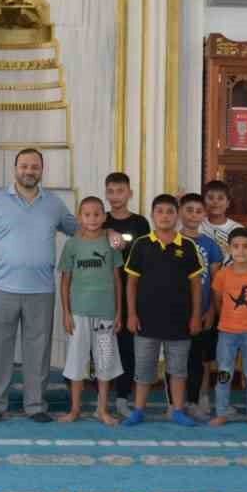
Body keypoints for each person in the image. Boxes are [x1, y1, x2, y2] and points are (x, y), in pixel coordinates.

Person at [0, 148, 78, 423]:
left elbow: (80, 230)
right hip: (0, 289)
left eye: (34, 166)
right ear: (15, 168)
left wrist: (111, 233)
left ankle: (36, 405)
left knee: (38, 350)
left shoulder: (54, 203)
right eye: (24, 166)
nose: (29, 171)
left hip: (41, 291)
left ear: (41, 170)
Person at [122, 194, 204, 428]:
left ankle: (178, 410)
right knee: (144, 369)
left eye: (170, 211)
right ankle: (138, 410)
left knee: (178, 369)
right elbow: (131, 283)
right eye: (160, 211)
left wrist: (196, 315)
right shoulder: (141, 244)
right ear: (152, 214)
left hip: (180, 320)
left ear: (177, 216)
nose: (165, 216)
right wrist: (131, 314)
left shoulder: (188, 246)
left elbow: (196, 285)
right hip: (146, 319)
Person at [56, 196, 123, 426]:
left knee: (104, 361)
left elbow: (117, 279)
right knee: (76, 362)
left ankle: (102, 410)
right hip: (78, 314)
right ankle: (75, 409)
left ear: (104, 217)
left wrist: (119, 312)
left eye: (97, 214)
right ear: (79, 218)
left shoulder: (111, 242)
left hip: (105, 313)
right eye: (87, 214)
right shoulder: (72, 244)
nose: (92, 219)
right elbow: (65, 281)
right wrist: (66, 312)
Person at [210, 228, 247, 429]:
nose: (241, 251)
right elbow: (217, 302)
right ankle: (221, 412)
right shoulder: (222, 275)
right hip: (227, 333)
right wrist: (227, 319)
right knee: (224, 373)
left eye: (246, 246)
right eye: (236, 246)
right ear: (229, 249)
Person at [102, 172, 149, 415]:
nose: (115, 196)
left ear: (129, 193)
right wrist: (105, 231)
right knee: (102, 346)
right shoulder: (99, 221)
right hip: (103, 293)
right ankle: (102, 396)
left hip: (132, 293)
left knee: (127, 346)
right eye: (110, 191)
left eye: (120, 191)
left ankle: (123, 395)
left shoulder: (140, 223)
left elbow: (145, 259)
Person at [179, 193, 224, 417]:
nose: (193, 215)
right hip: (177, 311)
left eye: (198, 211)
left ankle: (202, 398)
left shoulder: (211, 245)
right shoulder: (172, 241)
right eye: (189, 209)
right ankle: (179, 401)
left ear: (204, 215)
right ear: (180, 212)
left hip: (204, 310)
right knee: (179, 357)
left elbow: (216, 281)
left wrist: (212, 310)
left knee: (203, 357)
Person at [200, 180, 242, 253]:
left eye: (220, 198)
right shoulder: (197, 224)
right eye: (210, 198)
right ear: (203, 202)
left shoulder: (238, 229)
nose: (215, 201)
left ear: (228, 203)